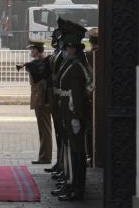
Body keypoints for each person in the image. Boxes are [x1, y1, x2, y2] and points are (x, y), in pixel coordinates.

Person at [54, 19, 92, 202]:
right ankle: (71, 184)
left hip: (73, 113)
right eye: (66, 47)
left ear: (75, 49)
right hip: (67, 113)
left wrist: (76, 116)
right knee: (72, 151)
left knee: (77, 153)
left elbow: (76, 94)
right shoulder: (70, 65)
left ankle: (77, 188)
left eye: (69, 47)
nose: (66, 50)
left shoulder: (76, 67)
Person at [19, 41, 52, 165]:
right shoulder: (41, 63)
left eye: (32, 50)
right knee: (44, 129)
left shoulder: (40, 64)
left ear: (37, 50)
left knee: (44, 129)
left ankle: (45, 157)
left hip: (42, 99)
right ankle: (44, 156)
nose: (31, 52)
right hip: (42, 98)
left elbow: (39, 83)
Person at [44, 28, 65, 179]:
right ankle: (60, 164)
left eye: (55, 38)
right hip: (55, 99)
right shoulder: (57, 54)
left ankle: (63, 166)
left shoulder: (62, 55)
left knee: (63, 136)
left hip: (61, 101)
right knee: (59, 134)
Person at [84, 28, 100, 167]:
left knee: (89, 129)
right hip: (103, 99)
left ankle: (90, 155)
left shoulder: (87, 56)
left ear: (90, 41)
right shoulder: (106, 55)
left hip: (89, 97)